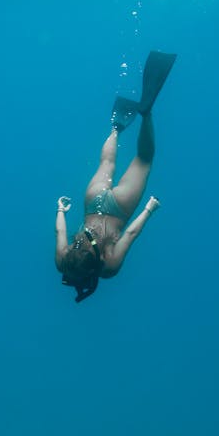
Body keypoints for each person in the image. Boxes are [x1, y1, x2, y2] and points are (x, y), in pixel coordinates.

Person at [55, 51, 176, 303]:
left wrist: (149, 210)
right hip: (93, 201)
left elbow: (130, 234)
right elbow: (59, 232)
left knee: (144, 160)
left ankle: (146, 113)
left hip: (119, 209)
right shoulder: (62, 262)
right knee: (107, 162)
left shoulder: (107, 268)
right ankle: (117, 127)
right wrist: (60, 210)